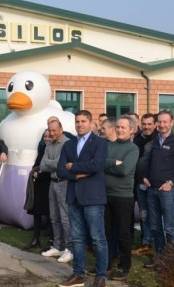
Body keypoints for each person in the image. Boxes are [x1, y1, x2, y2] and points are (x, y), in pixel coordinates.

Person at [56, 110, 108, 287]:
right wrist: (75, 175)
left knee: (97, 239)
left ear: (90, 122)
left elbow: (97, 165)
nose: (80, 124)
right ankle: (78, 274)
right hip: (74, 196)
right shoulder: (69, 145)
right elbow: (60, 170)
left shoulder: (100, 143)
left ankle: (101, 276)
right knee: (77, 239)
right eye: (77, 121)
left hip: (93, 197)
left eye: (83, 121)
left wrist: (73, 166)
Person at [140, 110, 174, 262]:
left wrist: (171, 183)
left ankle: (172, 260)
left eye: (165, 122)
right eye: (159, 122)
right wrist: (145, 177)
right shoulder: (153, 141)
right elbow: (147, 162)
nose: (161, 125)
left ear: (171, 123)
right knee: (154, 226)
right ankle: (160, 257)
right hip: (151, 190)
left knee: (169, 227)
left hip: (167, 191)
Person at [103, 116, 139, 281]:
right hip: (105, 195)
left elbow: (124, 170)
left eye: (123, 127)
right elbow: (99, 164)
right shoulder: (108, 145)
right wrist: (113, 162)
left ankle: (125, 266)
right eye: (117, 127)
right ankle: (106, 263)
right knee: (106, 232)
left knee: (123, 233)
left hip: (123, 197)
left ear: (131, 129)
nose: (119, 130)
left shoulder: (133, 149)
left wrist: (108, 165)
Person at [40, 120, 72, 262]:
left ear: (61, 129)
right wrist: (54, 164)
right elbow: (42, 165)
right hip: (52, 183)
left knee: (65, 218)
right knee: (54, 217)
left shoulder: (67, 143)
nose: (51, 133)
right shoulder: (49, 145)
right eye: (50, 131)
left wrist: (51, 163)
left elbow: (61, 165)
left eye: (54, 130)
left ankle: (69, 249)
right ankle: (58, 246)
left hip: (64, 183)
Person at [25, 129, 53, 251]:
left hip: (49, 185)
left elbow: (51, 169)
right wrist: (34, 172)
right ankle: (35, 239)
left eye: (48, 136)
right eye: (45, 136)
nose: (46, 138)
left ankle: (51, 241)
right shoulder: (42, 150)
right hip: (39, 186)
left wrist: (39, 175)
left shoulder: (53, 151)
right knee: (36, 212)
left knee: (50, 214)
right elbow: (37, 165)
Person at [132, 113, 155, 255]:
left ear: (155, 124)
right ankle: (146, 242)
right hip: (140, 182)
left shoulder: (159, 139)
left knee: (157, 215)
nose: (146, 127)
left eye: (149, 124)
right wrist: (142, 178)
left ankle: (159, 244)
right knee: (144, 214)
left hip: (155, 183)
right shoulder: (137, 139)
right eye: (144, 124)